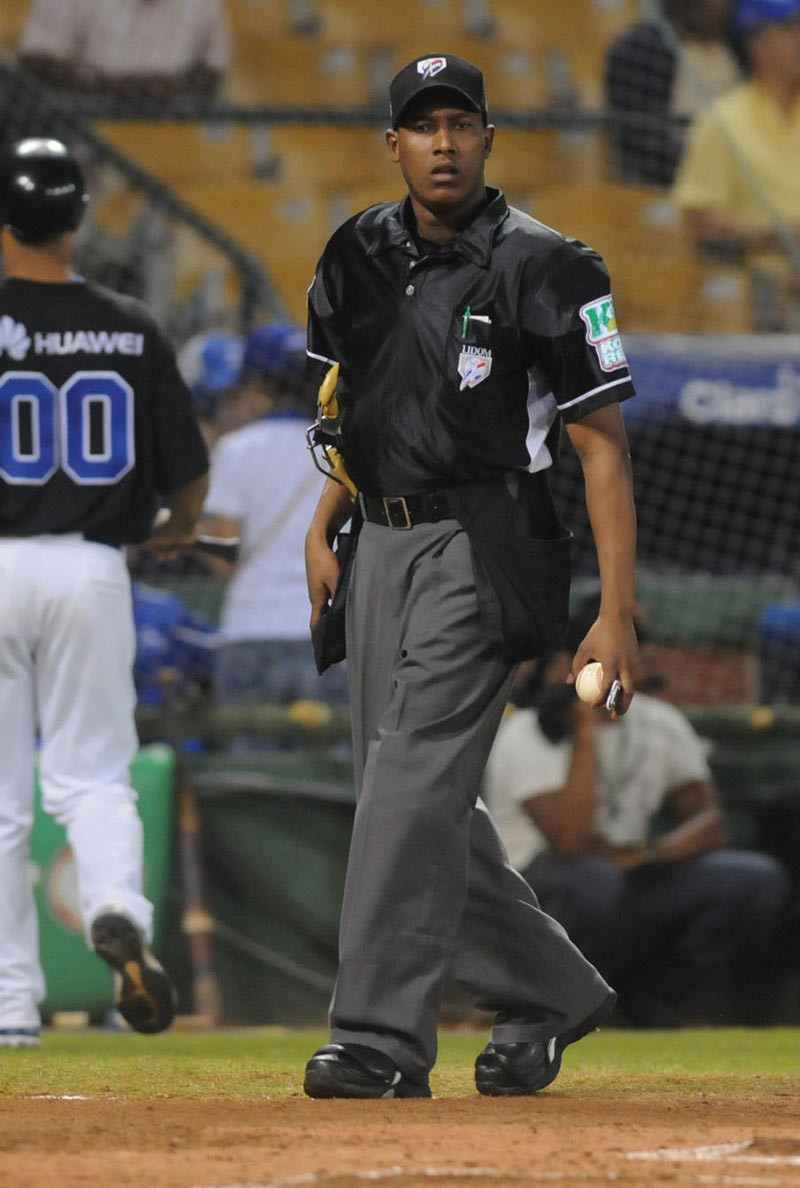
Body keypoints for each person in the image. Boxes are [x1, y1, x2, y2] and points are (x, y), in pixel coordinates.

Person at [302, 53, 639, 1099]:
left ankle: (377, 1041)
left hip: (488, 541)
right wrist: (324, 523)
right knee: (406, 800)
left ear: (489, 138)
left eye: (460, 123)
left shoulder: (550, 264)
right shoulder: (356, 248)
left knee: (404, 790)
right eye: (421, 125)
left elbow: (600, 449)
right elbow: (352, 398)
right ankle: (548, 989)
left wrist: (614, 613)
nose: (441, 143)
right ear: (391, 144)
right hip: (378, 540)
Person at [0, 137, 209, 1047]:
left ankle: (9, 1008)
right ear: (78, 218)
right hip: (91, 568)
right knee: (92, 777)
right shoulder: (131, 325)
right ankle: (117, 909)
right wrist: (171, 528)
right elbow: (187, 481)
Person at [486, 594, 790, 1027]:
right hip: (544, 892)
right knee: (595, 881)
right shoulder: (527, 732)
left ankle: (651, 998)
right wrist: (586, 736)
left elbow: (710, 824)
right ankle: (556, 1004)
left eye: (632, 655)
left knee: (752, 880)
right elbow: (571, 842)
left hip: (630, 876)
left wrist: (647, 855)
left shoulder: (660, 721)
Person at [202, 323, 349, 713]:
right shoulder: (343, 449)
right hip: (326, 629)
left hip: (253, 629)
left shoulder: (236, 450)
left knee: (246, 767)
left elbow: (221, 558)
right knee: (328, 770)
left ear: (259, 387)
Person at [673, 0, 800, 305]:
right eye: (790, 30)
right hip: (759, 291)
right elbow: (697, 218)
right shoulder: (721, 121)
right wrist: (776, 236)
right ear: (757, 42)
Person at [604, 0, 741, 187]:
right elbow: (639, 137)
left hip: (741, 177)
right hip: (668, 183)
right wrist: (705, 167)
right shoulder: (641, 48)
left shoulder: (740, 45)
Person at [17, 0, 230, 105]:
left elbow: (212, 71)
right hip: (82, 125)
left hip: (169, 126)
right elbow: (36, 60)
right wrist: (108, 86)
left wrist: (168, 88)